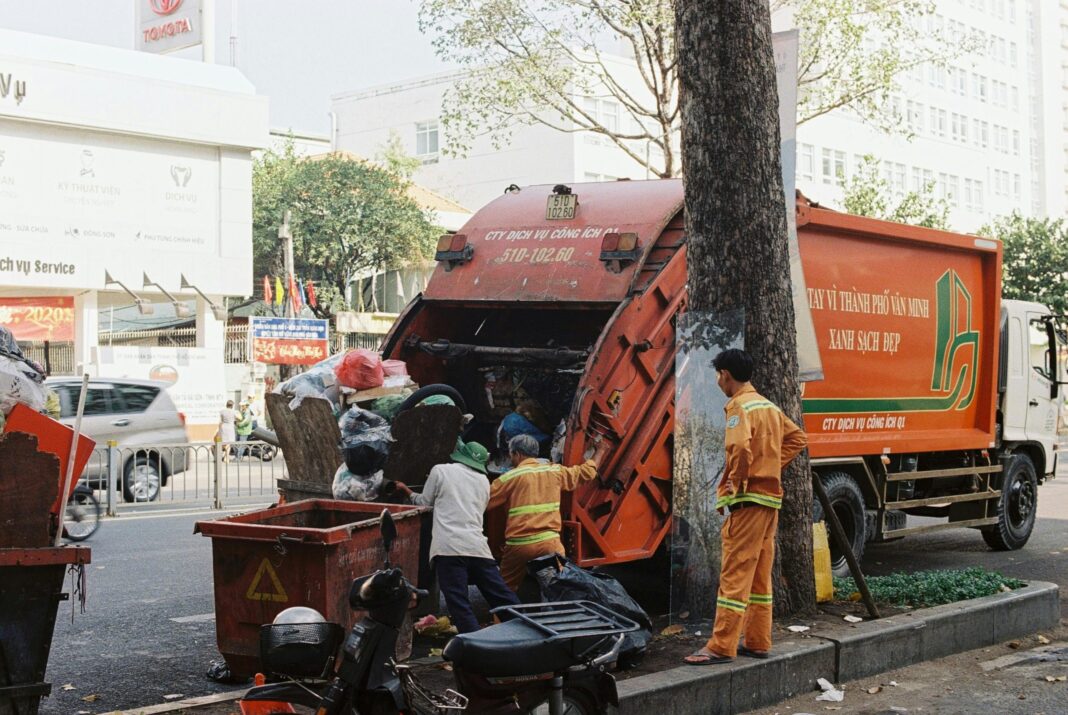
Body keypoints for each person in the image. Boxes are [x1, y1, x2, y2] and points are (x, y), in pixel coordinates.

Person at [685, 348, 808, 665]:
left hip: (748, 502)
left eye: (717, 375)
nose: (717, 381)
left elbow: (738, 445)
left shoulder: (739, 406)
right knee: (759, 577)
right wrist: (770, 467)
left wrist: (739, 478)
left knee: (734, 574)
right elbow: (797, 439)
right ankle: (757, 641)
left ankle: (721, 646)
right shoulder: (767, 406)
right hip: (769, 502)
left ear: (725, 374)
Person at [394, 441, 520, 634]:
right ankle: (525, 631)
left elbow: (424, 503)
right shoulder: (484, 482)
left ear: (461, 455)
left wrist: (405, 489)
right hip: (478, 548)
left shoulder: (440, 470)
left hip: (449, 548)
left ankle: (476, 646)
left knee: (458, 602)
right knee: (501, 596)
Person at [489, 433, 611, 593]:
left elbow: (484, 501)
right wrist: (600, 451)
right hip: (550, 543)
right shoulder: (555, 471)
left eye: (511, 454)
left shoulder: (508, 478)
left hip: (519, 545)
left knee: (504, 590)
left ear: (517, 454)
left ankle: (502, 617)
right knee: (560, 588)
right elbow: (586, 473)